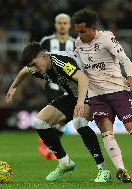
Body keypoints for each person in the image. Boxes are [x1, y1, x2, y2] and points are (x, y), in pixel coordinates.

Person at [6, 42, 111, 182]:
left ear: (43, 56)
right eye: (32, 65)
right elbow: (25, 70)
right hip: (72, 95)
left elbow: (83, 78)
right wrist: (13, 87)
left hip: (92, 92)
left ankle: (104, 169)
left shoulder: (59, 62)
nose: (34, 69)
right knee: (39, 122)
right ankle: (64, 163)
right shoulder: (39, 66)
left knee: (79, 121)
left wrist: (80, 103)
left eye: (34, 64)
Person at [72, 9, 132, 183]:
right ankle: (121, 169)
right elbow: (79, 70)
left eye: (82, 31)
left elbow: (125, 59)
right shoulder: (78, 43)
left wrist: (130, 76)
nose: (79, 35)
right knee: (106, 133)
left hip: (118, 90)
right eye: (77, 31)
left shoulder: (106, 38)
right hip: (97, 96)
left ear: (93, 27)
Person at [38, 13, 75, 160]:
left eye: (65, 23)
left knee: (63, 119)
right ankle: (49, 145)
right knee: (59, 115)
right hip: (52, 87)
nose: (62, 25)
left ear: (69, 25)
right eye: (59, 23)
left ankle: (48, 142)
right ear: (55, 25)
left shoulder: (74, 43)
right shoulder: (46, 41)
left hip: (69, 87)